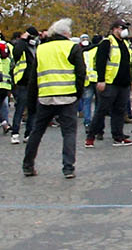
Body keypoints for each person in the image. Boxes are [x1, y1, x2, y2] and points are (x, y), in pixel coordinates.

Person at [22, 18, 87, 179]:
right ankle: (68, 168)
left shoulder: (42, 49)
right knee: (69, 133)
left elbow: (34, 78)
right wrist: (78, 94)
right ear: (65, 34)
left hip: (45, 96)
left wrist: (31, 103)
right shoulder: (72, 47)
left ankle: (28, 165)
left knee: (37, 132)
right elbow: (81, 73)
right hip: (68, 96)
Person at [84, 20, 132, 148]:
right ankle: (90, 137)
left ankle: (118, 136)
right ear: (114, 29)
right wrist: (101, 80)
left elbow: (130, 63)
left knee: (119, 111)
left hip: (123, 83)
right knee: (102, 110)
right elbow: (100, 62)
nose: (124, 30)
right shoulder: (107, 43)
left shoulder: (125, 43)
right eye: (121, 27)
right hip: (110, 82)